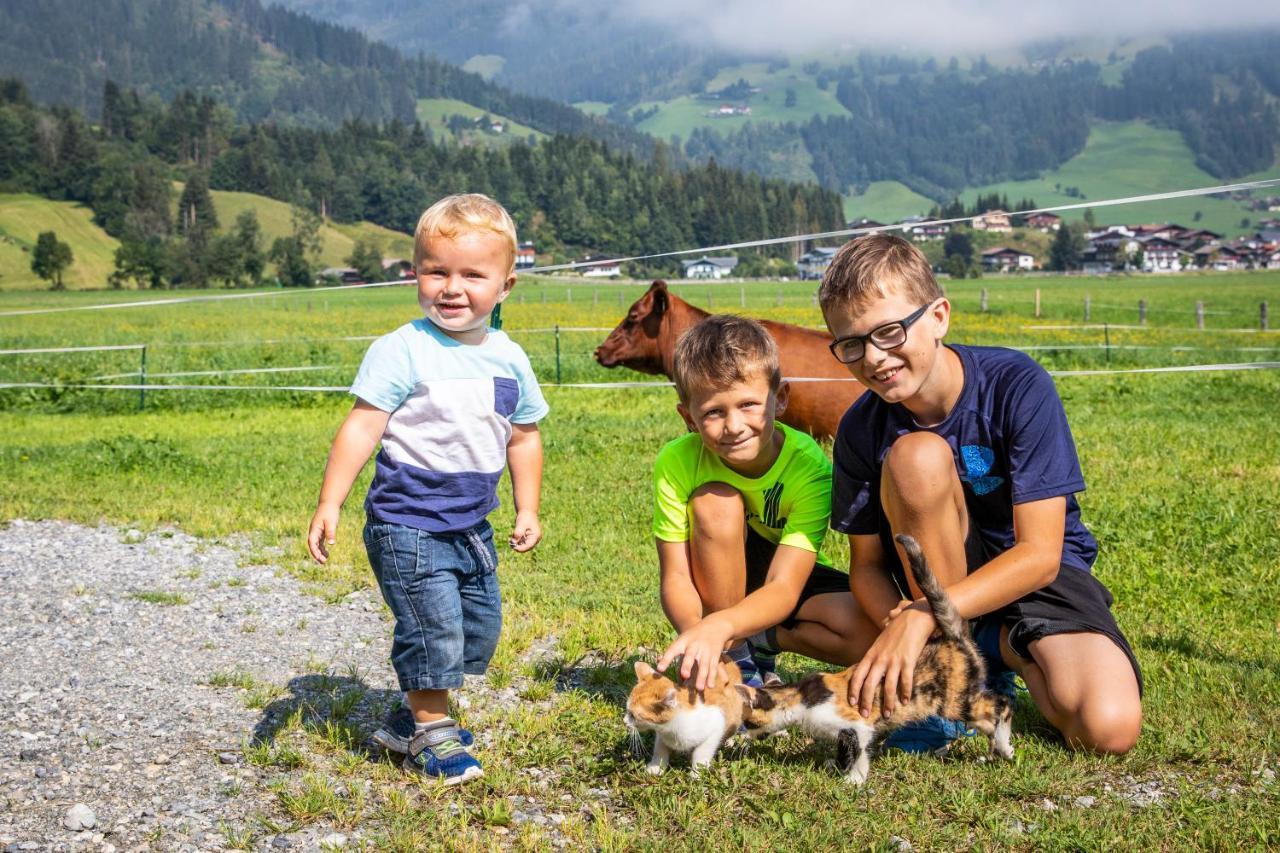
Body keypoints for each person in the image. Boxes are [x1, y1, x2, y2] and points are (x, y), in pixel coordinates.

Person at [817, 233, 1141, 754]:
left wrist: (924, 617)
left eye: (890, 331)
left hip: (1034, 580)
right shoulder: (861, 427)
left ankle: (1003, 648)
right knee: (915, 457)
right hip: (936, 587)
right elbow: (868, 568)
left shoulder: (1018, 385)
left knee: (1107, 728)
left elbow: (1040, 554)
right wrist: (902, 623)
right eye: (852, 344)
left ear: (939, 316)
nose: (874, 358)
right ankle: (956, 672)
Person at [306, 193, 547, 784]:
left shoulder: (509, 358)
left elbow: (524, 436)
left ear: (506, 285)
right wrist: (330, 502)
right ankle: (433, 736)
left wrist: (528, 506)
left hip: (471, 524)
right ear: (416, 273)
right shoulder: (402, 349)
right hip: (405, 522)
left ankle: (406, 716)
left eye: (472, 274)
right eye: (436, 271)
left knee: (477, 630)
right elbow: (363, 425)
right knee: (431, 627)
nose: (451, 287)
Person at [652, 315, 872, 690]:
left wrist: (721, 626)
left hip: (780, 574)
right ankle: (736, 657)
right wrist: (700, 637)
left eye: (748, 405)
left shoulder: (812, 468)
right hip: (713, 572)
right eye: (713, 412)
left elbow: (785, 585)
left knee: (869, 633)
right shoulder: (676, 460)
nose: (734, 426)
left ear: (781, 398)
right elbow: (675, 575)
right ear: (688, 418)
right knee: (715, 501)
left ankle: (760, 639)